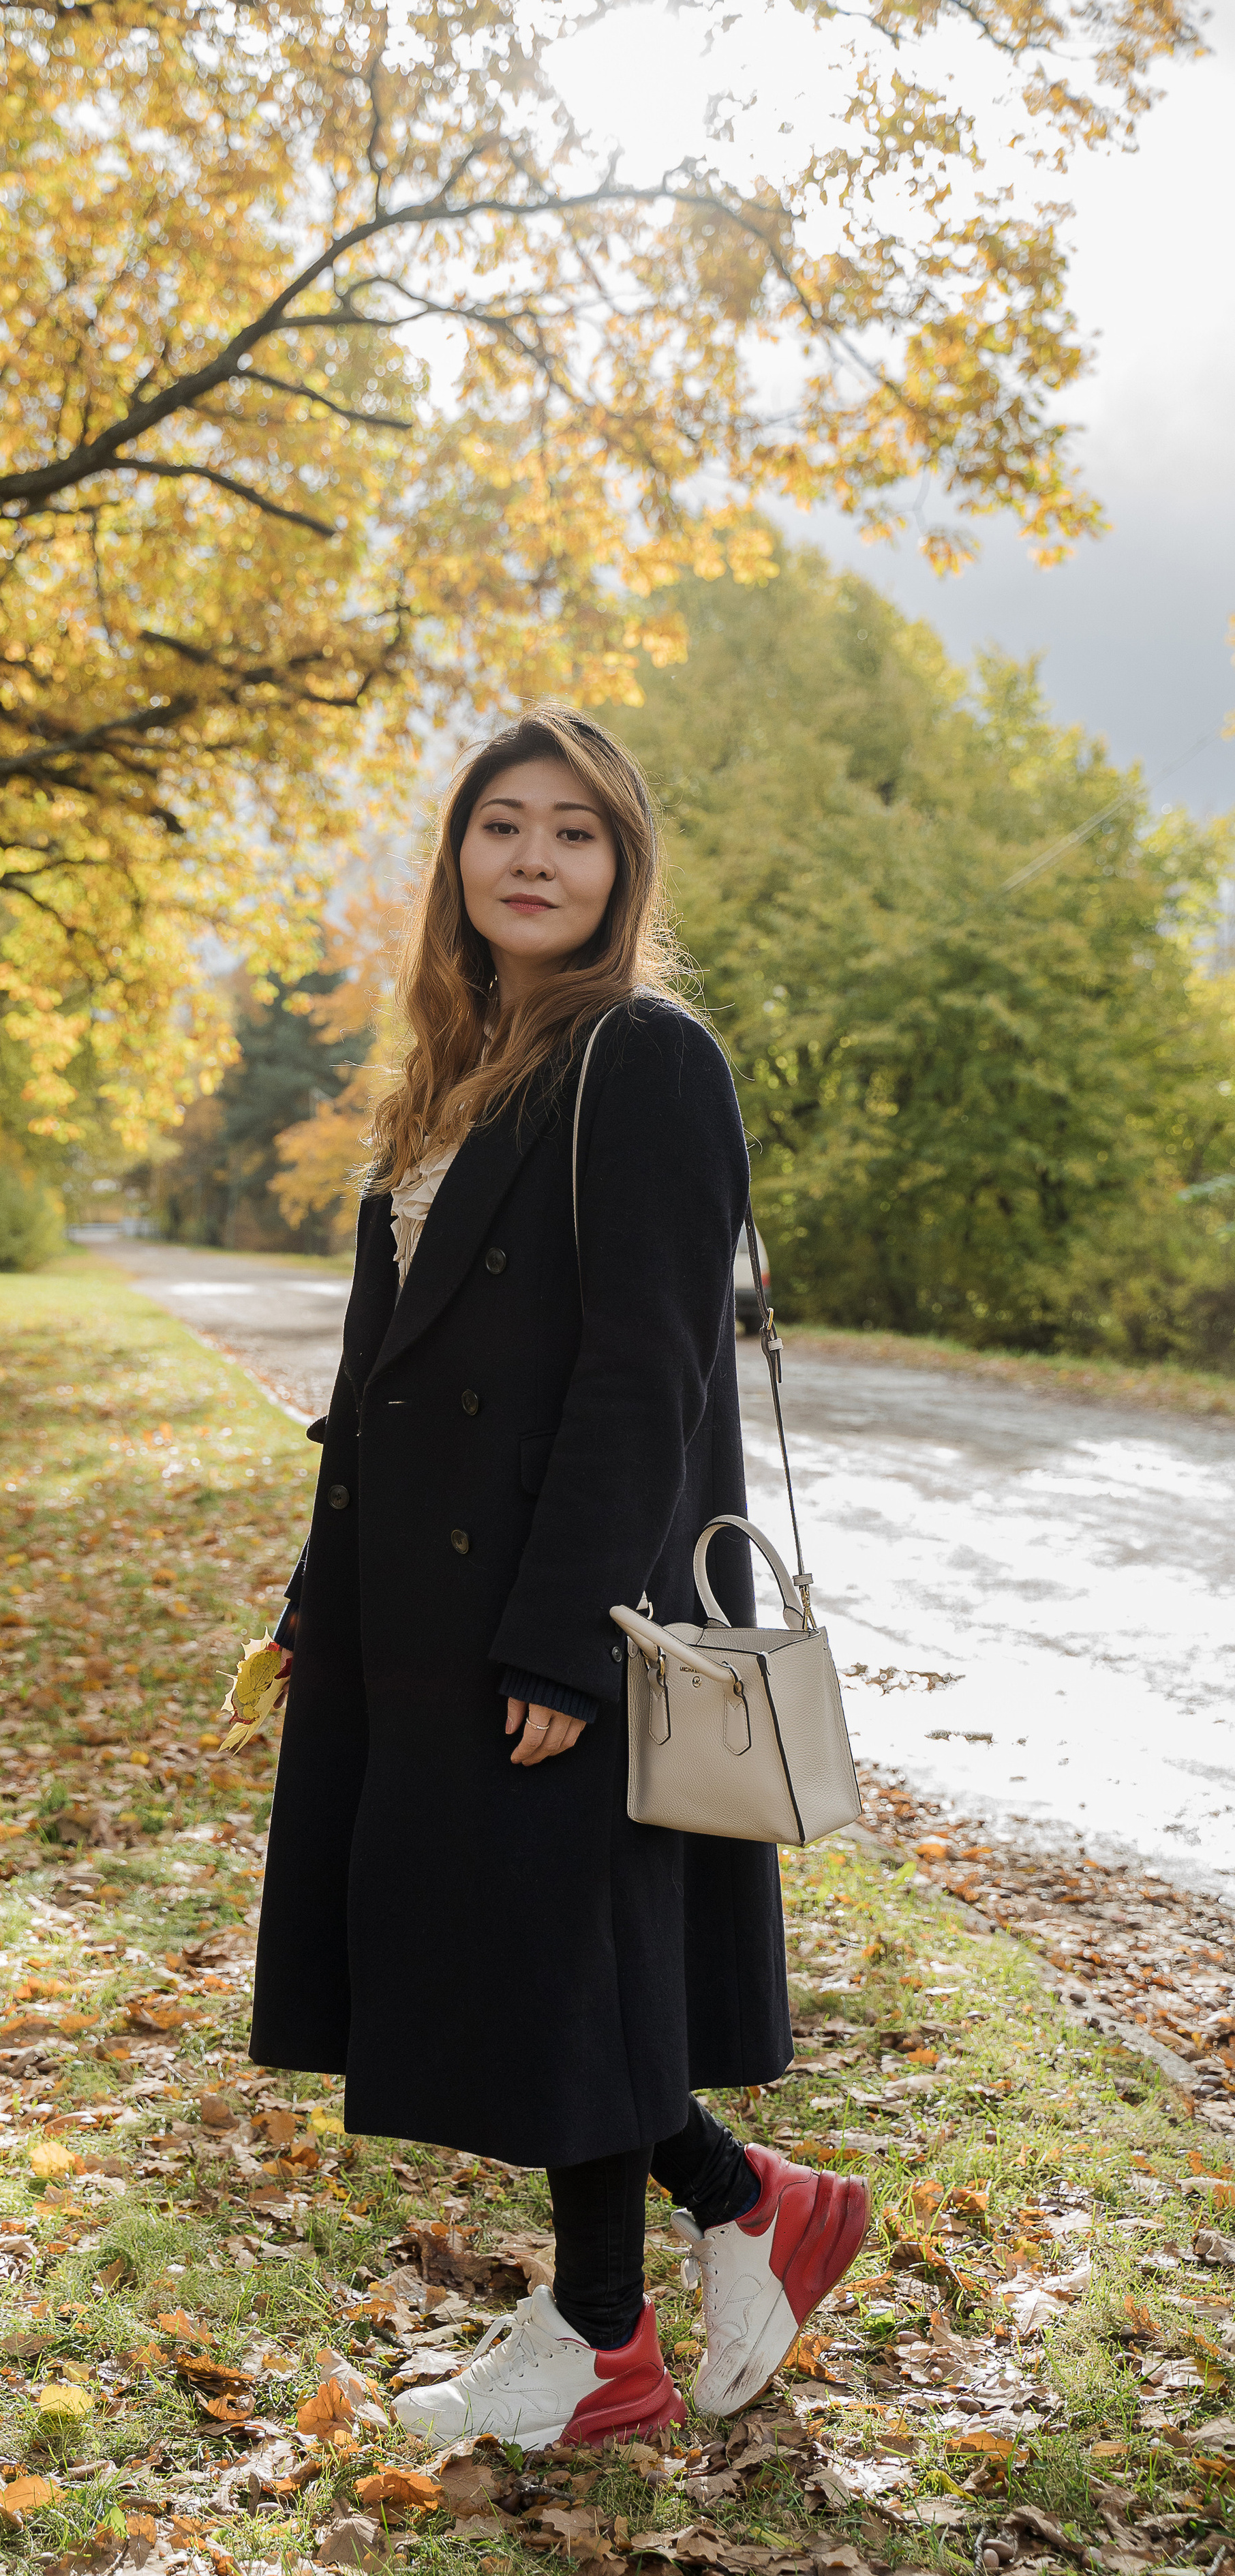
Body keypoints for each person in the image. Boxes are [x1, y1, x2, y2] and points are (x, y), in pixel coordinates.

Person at [249, 703, 867, 2451]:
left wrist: (564, 1640)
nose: (532, 858)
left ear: (619, 867)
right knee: (540, 1961)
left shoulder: (645, 1057)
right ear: (456, 858)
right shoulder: (447, 1072)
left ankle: (635, 2300)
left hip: (557, 1604)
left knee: (555, 1958)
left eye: (572, 832)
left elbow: (646, 1370)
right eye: (501, 825)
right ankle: (697, 2251)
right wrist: (317, 1598)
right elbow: (374, 1387)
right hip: (418, 1608)